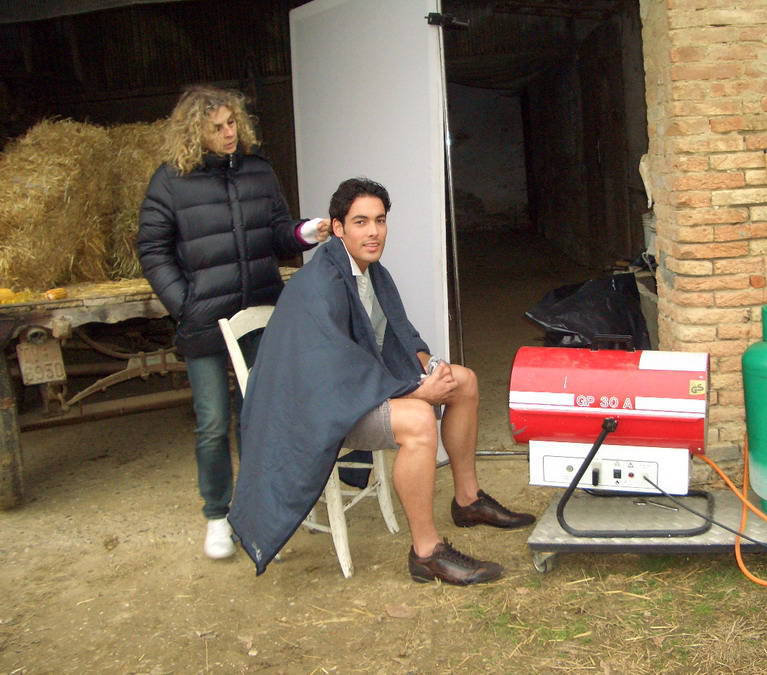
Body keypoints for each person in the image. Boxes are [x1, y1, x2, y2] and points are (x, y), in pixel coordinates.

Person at [228, 177, 534, 585]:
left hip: (355, 389)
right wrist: (416, 391)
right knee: (418, 420)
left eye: (380, 220)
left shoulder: (373, 273)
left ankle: (467, 500)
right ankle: (426, 553)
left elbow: (401, 335)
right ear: (338, 228)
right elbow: (332, 369)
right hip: (318, 410)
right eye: (360, 222)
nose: (373, 232)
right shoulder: (320, 284)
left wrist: (432, 368)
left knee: (464, 381)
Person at [137, 85, 329, 560]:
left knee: (259, 416)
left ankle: (256, 512)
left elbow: (277, 233)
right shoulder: (170, 181)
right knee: (212, 421)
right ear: (193, 131)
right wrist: (184, 303)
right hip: (204, 318)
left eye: (232, 123)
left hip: (260, 312)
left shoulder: (257, 171)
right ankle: (217, 515)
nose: (229, 133)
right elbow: (152, 249)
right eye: (217, 127)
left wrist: (305, 232)